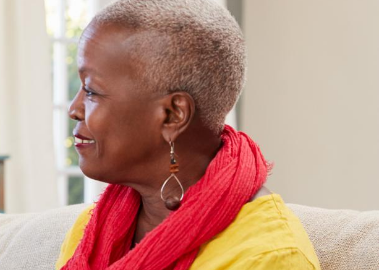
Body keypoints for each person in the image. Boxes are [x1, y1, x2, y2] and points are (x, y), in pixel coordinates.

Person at [54, 0, 320, 269]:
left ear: (172, 115)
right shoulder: (92, 231)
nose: (74, 109)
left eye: (91, 91)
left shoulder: (269, 257)